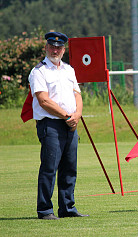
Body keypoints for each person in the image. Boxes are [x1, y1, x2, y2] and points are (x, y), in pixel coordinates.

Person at [29, 32, 88, 220]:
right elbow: (43, 100)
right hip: (51, 124)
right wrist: (66, 116)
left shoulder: (69, 70)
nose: (55, 50)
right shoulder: (39, 71)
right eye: (52, 46)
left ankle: (67, 208)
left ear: (64, 49)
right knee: (49, 168)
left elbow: (77, 94)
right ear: (46, 48)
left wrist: (76, 116)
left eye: (59, 47)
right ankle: (45, 210)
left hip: (70, 124)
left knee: (69, 168)